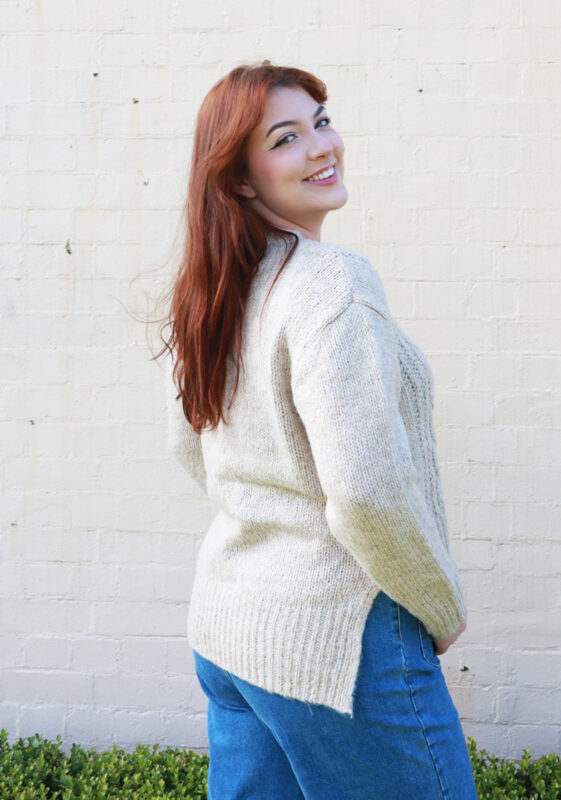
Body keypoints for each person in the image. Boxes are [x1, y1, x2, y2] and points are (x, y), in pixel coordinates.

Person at [159, 60, 479, 800]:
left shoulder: (213, 289)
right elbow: (366, 489)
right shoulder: (331, 281)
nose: (322, 146)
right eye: (287, 137)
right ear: (239, 179)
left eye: (322, 122)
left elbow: (189, 444)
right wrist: (438, 603)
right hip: (337, 642)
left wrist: (269, 510)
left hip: (232, 627)